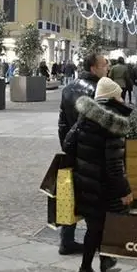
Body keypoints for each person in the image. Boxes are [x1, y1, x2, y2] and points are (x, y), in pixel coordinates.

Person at [63, 76, 133, 272]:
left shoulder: (85, 117)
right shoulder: (113, 123)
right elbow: (114, 164)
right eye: (119, 95)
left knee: (96, 226)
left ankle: (102, 261)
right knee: (99, 228)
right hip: (103, 186)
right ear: (113, 97)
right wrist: (125, 190)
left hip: (86, 182)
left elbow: (68, 144)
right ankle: (86, 270)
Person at [57, 53, 109, 256]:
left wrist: (67, 145)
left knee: (70, 195)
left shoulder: (69, 88)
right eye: (105, 64)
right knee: (94, 197)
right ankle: (96, 241)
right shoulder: (100, 89)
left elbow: (62, 121)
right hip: (93, 151)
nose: (108, 67)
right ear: (94, 68)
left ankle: (66, 240)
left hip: (72, 148)